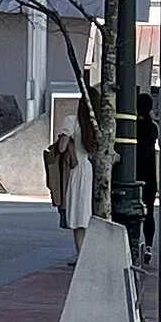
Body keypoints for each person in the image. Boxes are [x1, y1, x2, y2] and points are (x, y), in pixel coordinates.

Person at [56, 97, 97, 264]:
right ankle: (86, 254)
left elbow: (61, 148)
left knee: (78, 215)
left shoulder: (72, 121)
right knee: (87, 213)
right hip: (92, 170)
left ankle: (81, 255)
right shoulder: (97, 126)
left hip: (77, 169)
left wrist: (67, 140)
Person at [136, 92, 159, 264]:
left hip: (133, 173)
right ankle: (149, 245)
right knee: (149, 212)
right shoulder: (153, 127)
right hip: (150, 174)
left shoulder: (131, 126)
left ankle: (135, 243)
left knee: (133, 211)